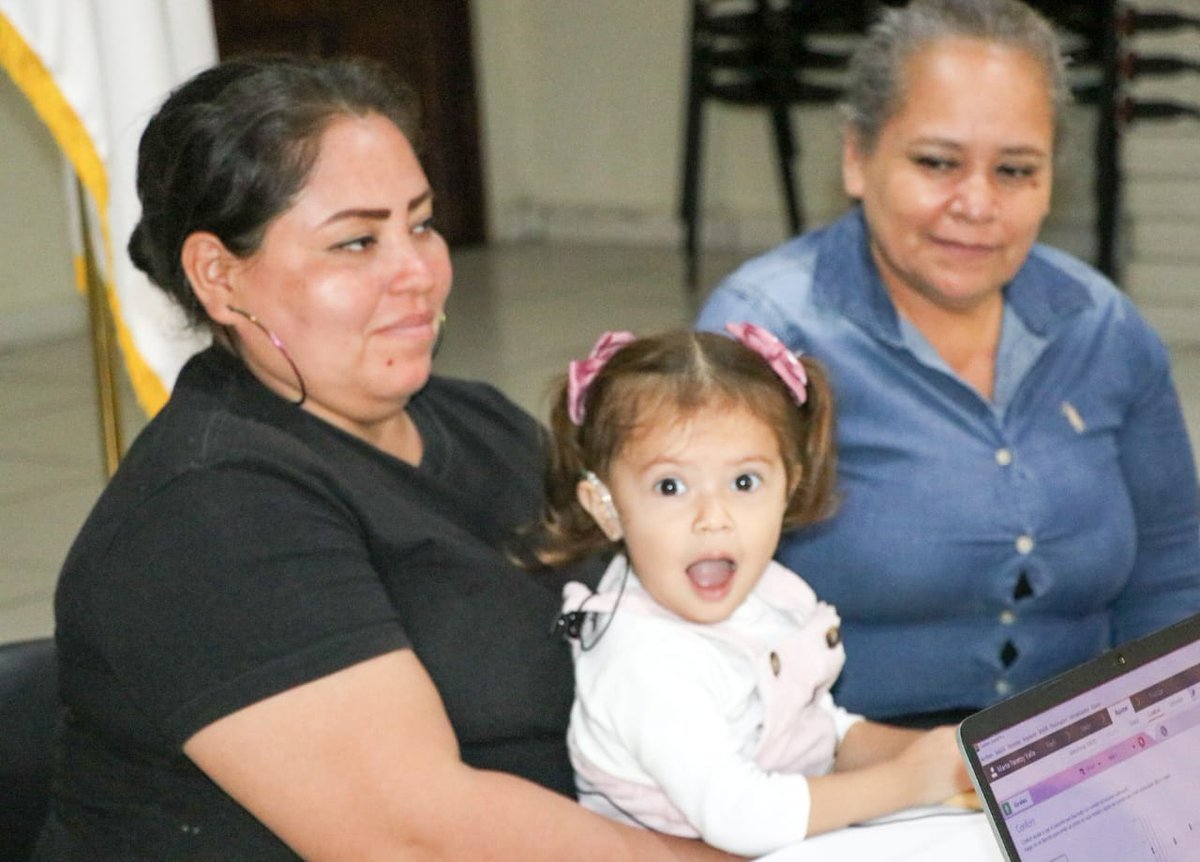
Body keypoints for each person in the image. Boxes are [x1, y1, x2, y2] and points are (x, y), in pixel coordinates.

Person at [36, 56, 738, 861]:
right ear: (221, 278)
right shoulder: (208, 514)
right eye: (358, 241)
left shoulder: (478, 422)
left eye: (422, 224)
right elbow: (420, 837)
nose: (420, 272)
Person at [696, 0, 1200, 727]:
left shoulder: (1102, 328)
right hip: (837, 776)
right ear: (856, 158)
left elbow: (1170, 575)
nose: (976, 204)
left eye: (1016, 170)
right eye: (937, 163)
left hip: (1079, 762)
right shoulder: (769, 338)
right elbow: (694, 606)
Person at [528, 325, 972, 858]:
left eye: (745, 483)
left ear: (790, 485)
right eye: (671, 486)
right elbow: (742, 815)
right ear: (606, 506)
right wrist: (907, 781)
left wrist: (947, 753)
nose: (714, 519)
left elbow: (812, 730)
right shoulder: (643, 659)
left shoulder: (771, 594)